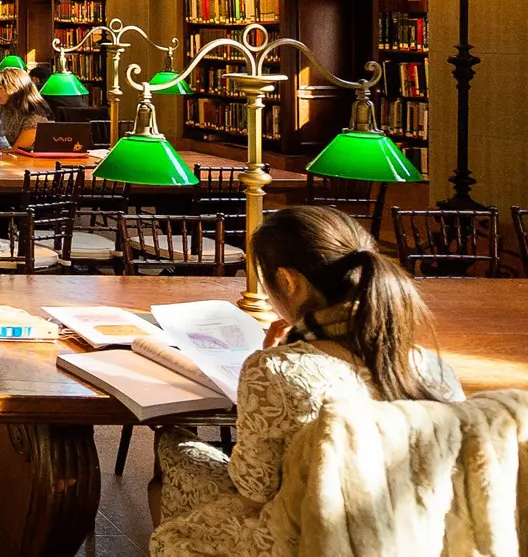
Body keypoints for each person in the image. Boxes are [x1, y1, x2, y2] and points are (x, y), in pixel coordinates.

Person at [151, 205, 462, 556]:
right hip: (416, 535)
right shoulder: (434, 368)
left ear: (288, 280)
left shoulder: (276, 370)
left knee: (173, 450)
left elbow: (254, 485)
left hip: (307, 538)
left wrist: (265, 367)